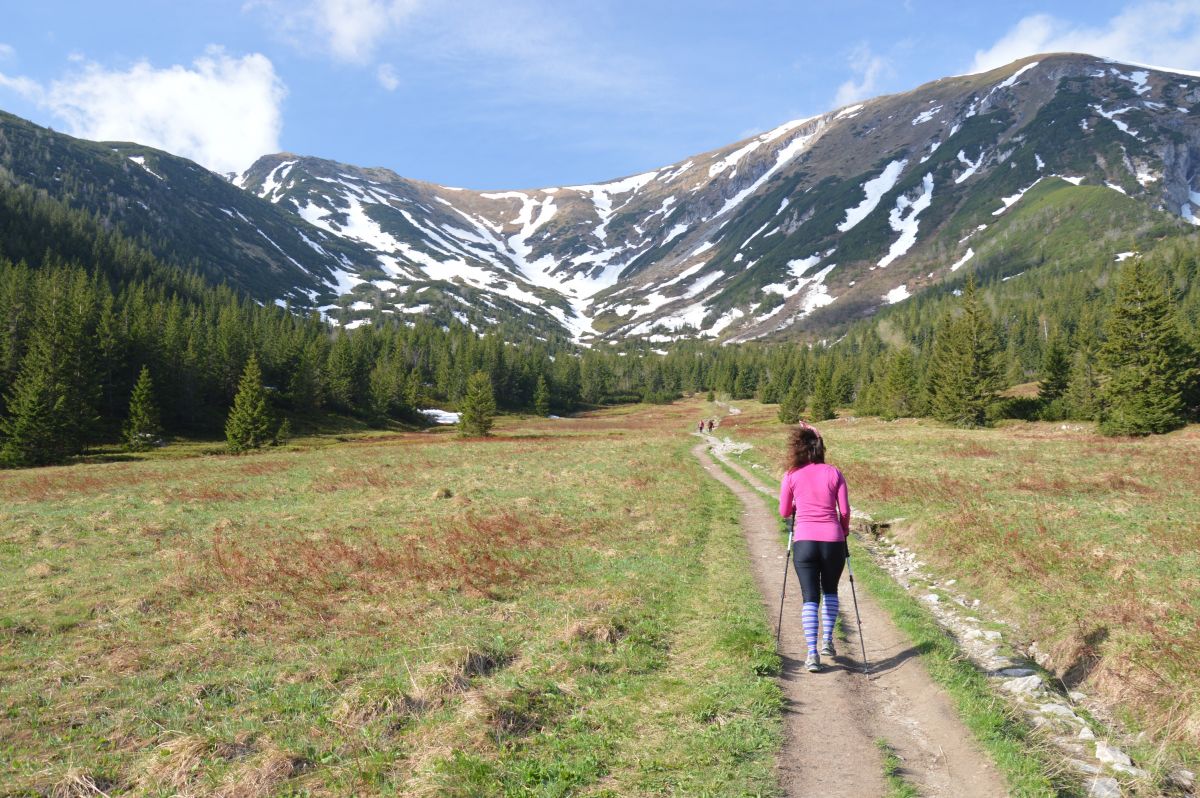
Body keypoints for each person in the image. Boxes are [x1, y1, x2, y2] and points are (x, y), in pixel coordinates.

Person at [779, 422, 850, 672]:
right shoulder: (834, 473)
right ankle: (827, 642)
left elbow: (784, 511)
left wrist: (798, 505)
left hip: (805, 541)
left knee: (810, 597)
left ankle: (811, 654)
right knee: (830, 590)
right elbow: (845, 510)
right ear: (820, 448)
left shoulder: (791, 475)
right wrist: (844, 529)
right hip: (833, 541)